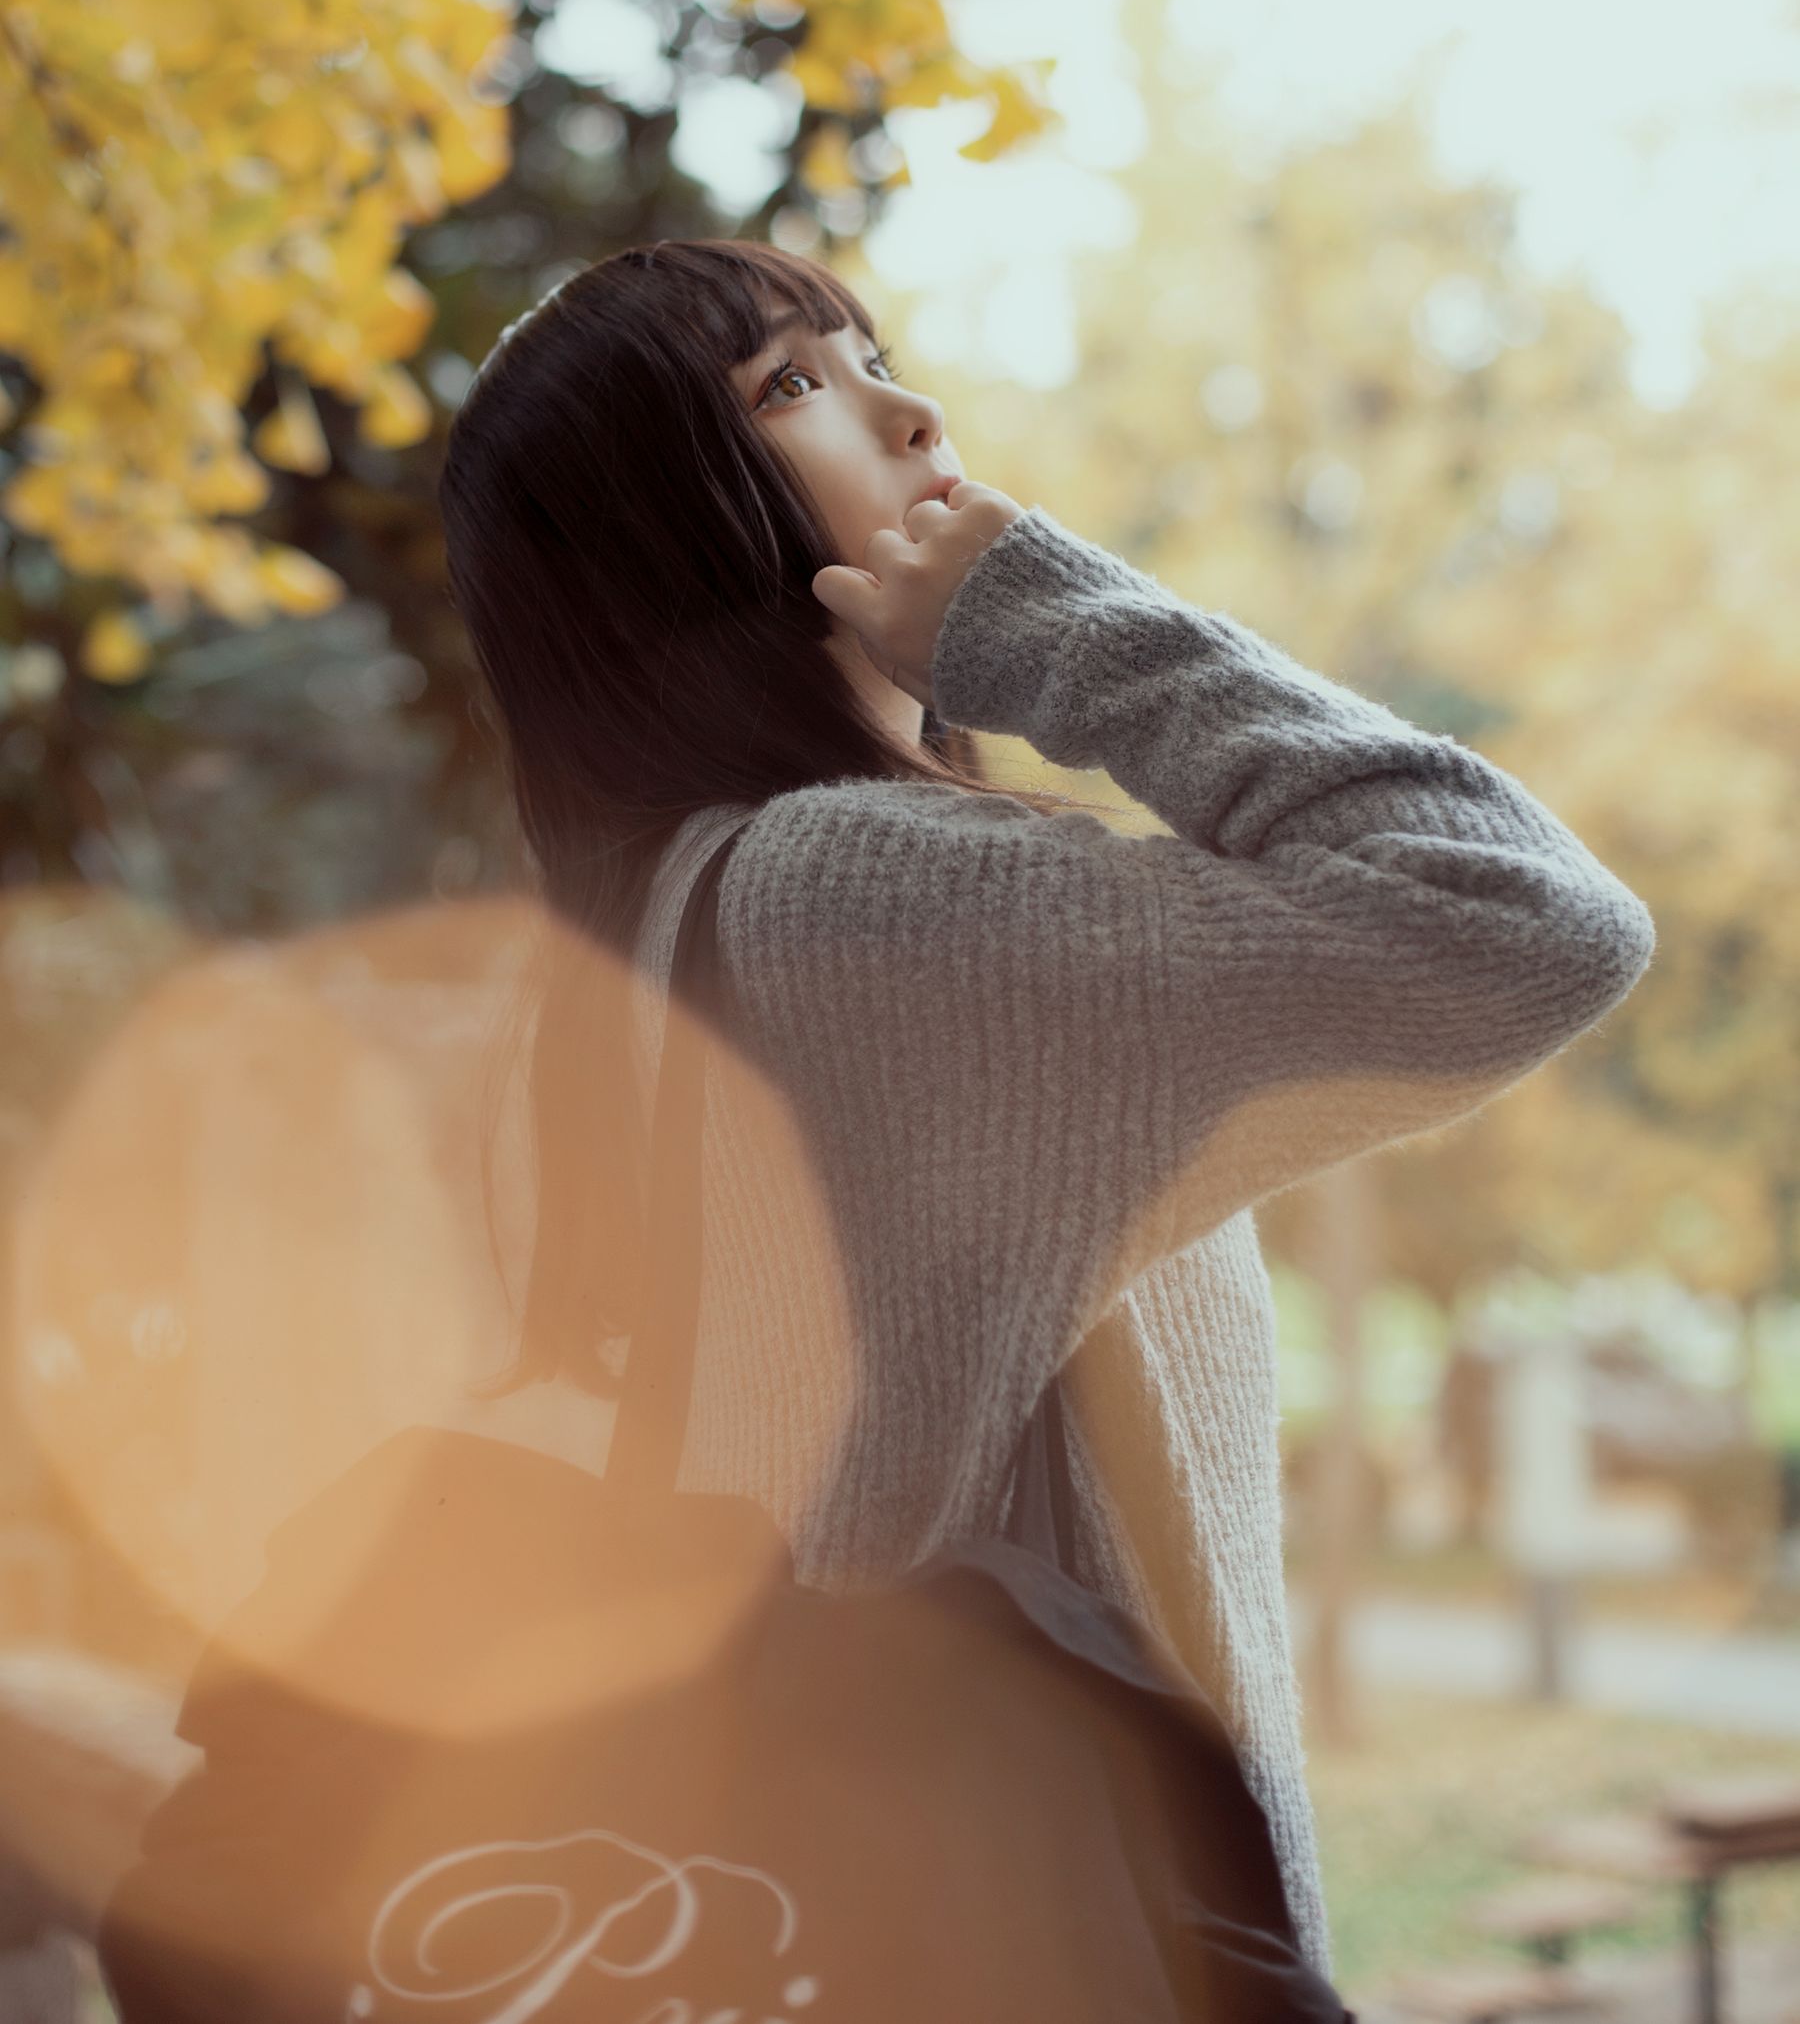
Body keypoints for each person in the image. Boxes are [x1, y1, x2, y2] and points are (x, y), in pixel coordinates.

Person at [437, 235, 1656, 1974]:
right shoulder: (858, 898)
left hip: (784, 1923)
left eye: (869, 354)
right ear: (672, 529)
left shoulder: (604, 974)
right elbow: (1517, 916)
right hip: (1052, 1942)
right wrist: (1042, 623)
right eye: (794, 388)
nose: (916, 412)